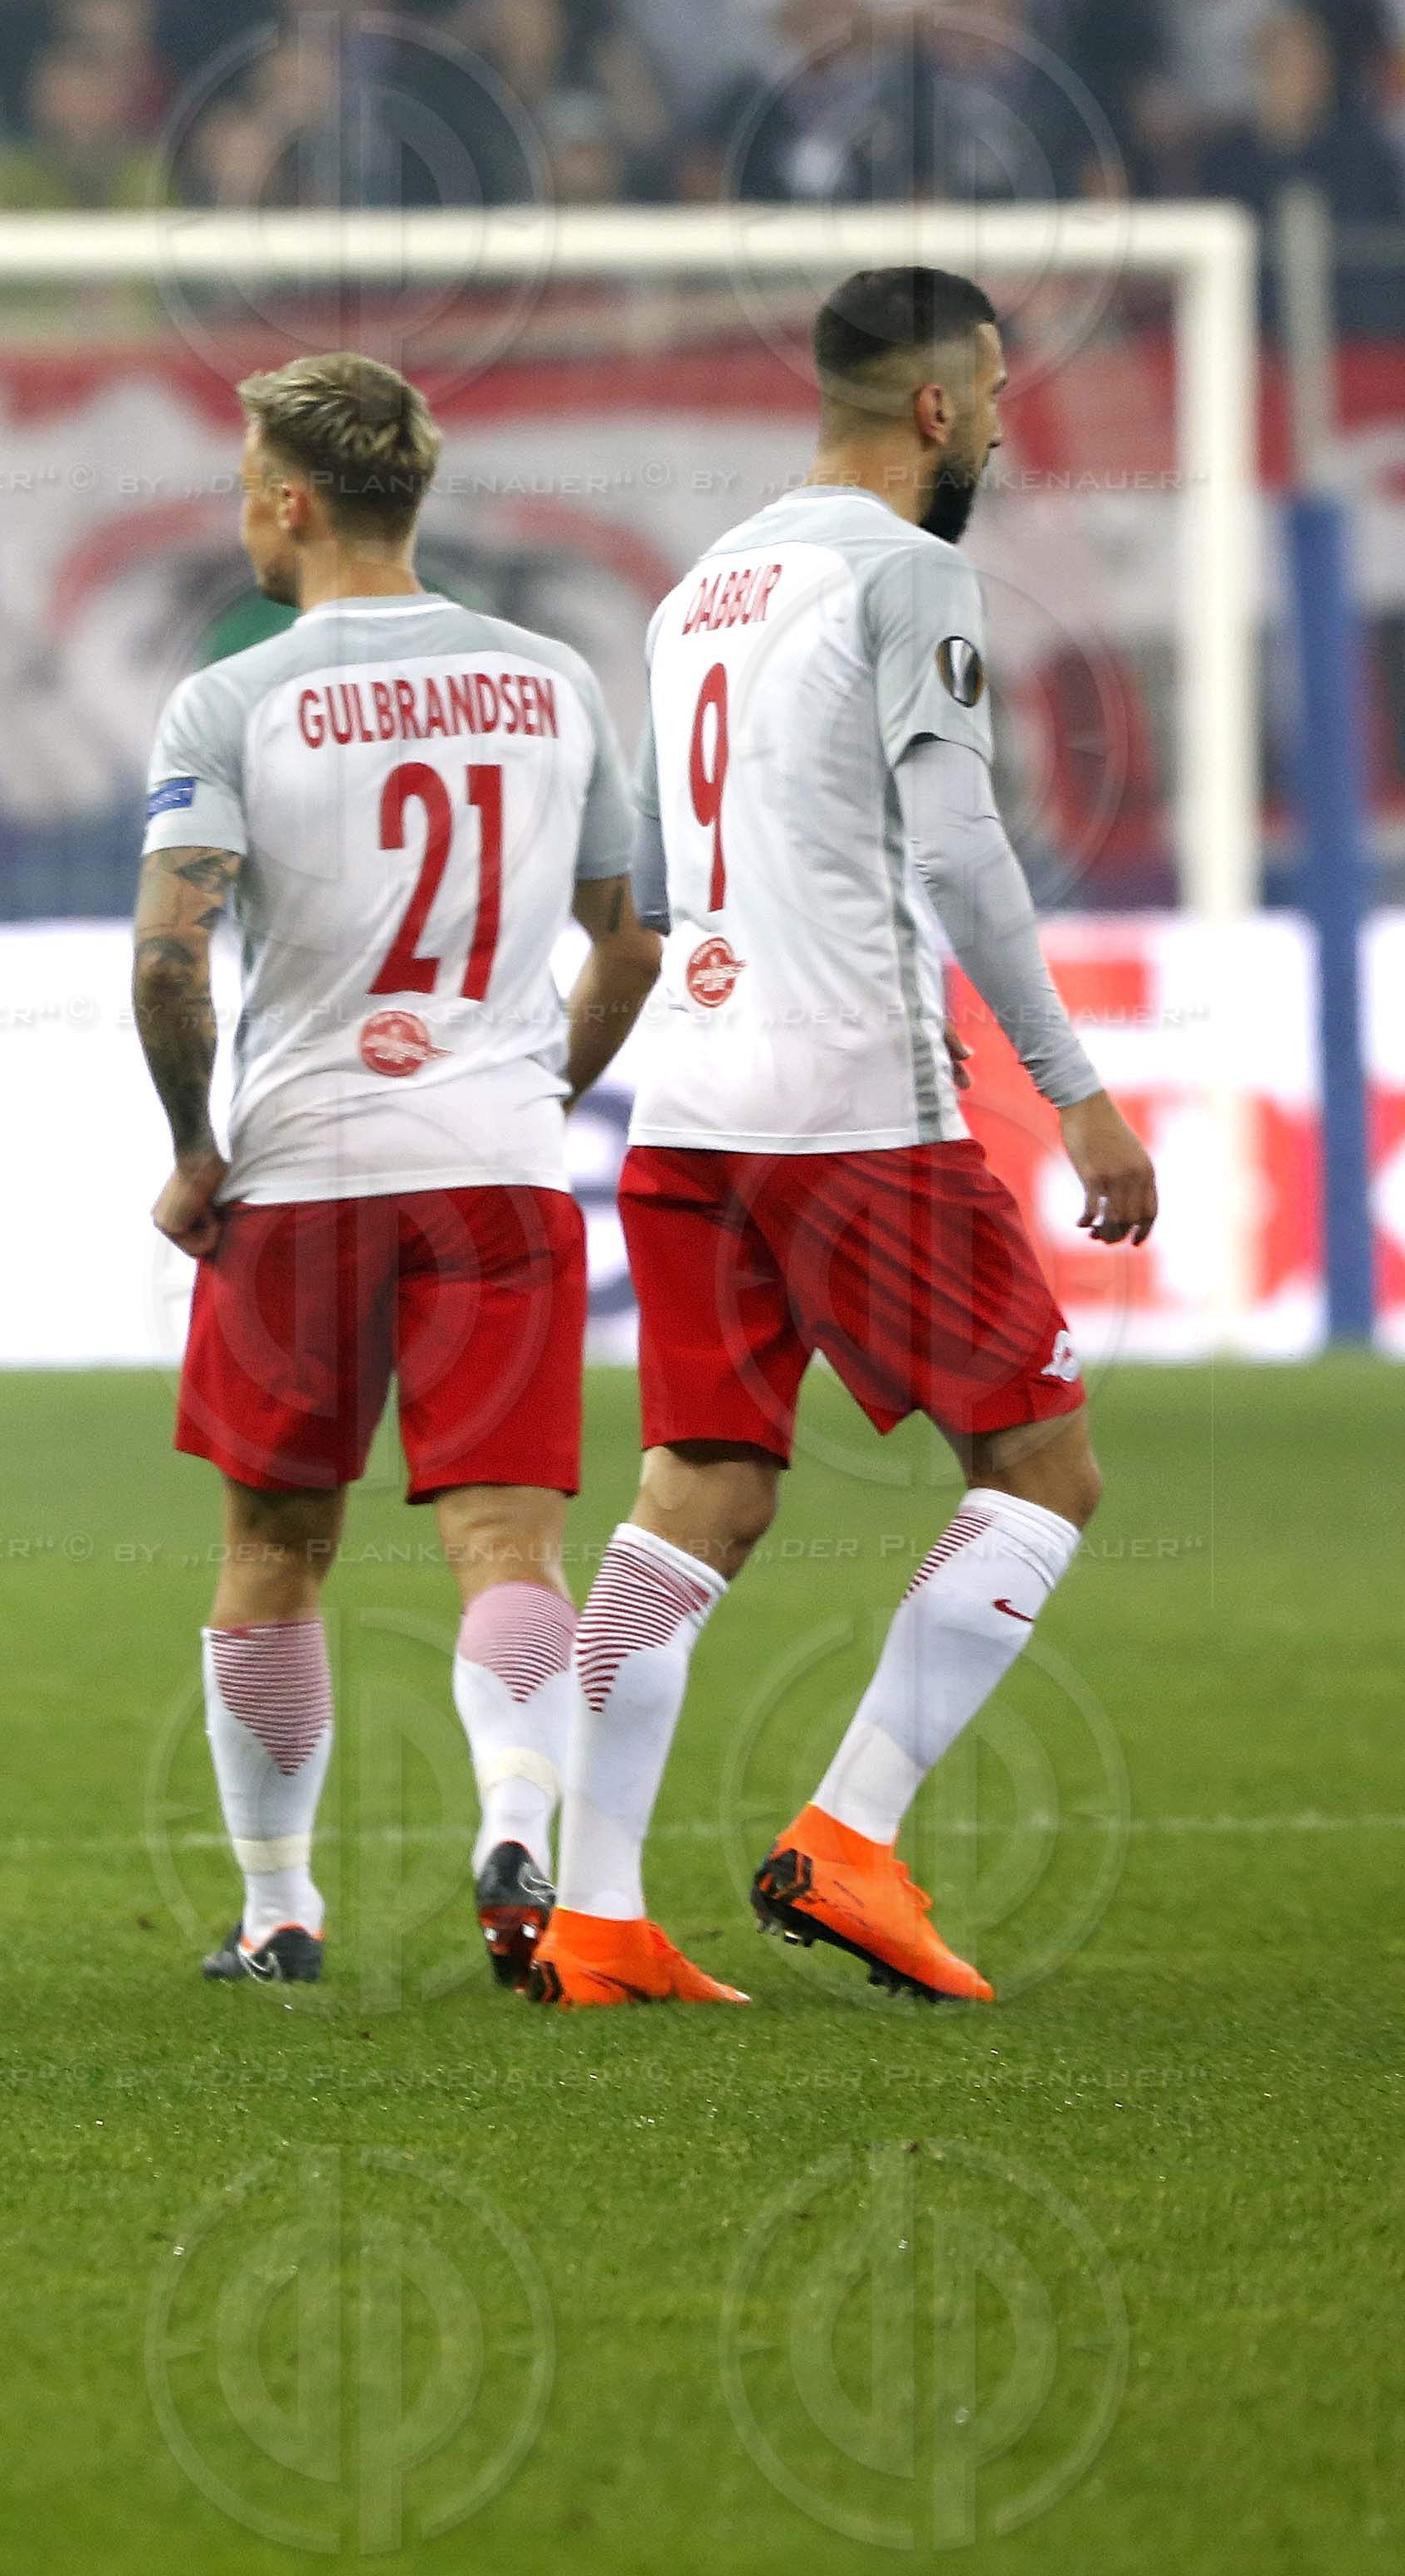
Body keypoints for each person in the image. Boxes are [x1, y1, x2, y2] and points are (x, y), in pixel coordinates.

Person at [532, 268, 1160, 2008]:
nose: (1015, 426)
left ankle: (592, 1914)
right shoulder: (911, 571)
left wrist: (552, 1093)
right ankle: (852, 1838)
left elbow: (643, 909)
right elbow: (961, 847)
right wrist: (1078, 1089)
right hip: (854, 1111)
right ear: (940, 411)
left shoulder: (689, 600)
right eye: (1005, 397)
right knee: (1041, 1468)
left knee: (698, 1496)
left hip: (698, 1111)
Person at [134, 354, 662, 1991]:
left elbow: (170, 959)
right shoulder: (554, 681)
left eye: (245, 476)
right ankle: (516, 1813)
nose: (240, 502)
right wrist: (534, 1094)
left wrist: (192, 1149)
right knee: (507, 1546)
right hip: (497, 1175)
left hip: (301, 1176)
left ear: (292, 500)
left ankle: (280, 1912)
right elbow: (630, 945)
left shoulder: (232, 697)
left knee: (274, 1556)